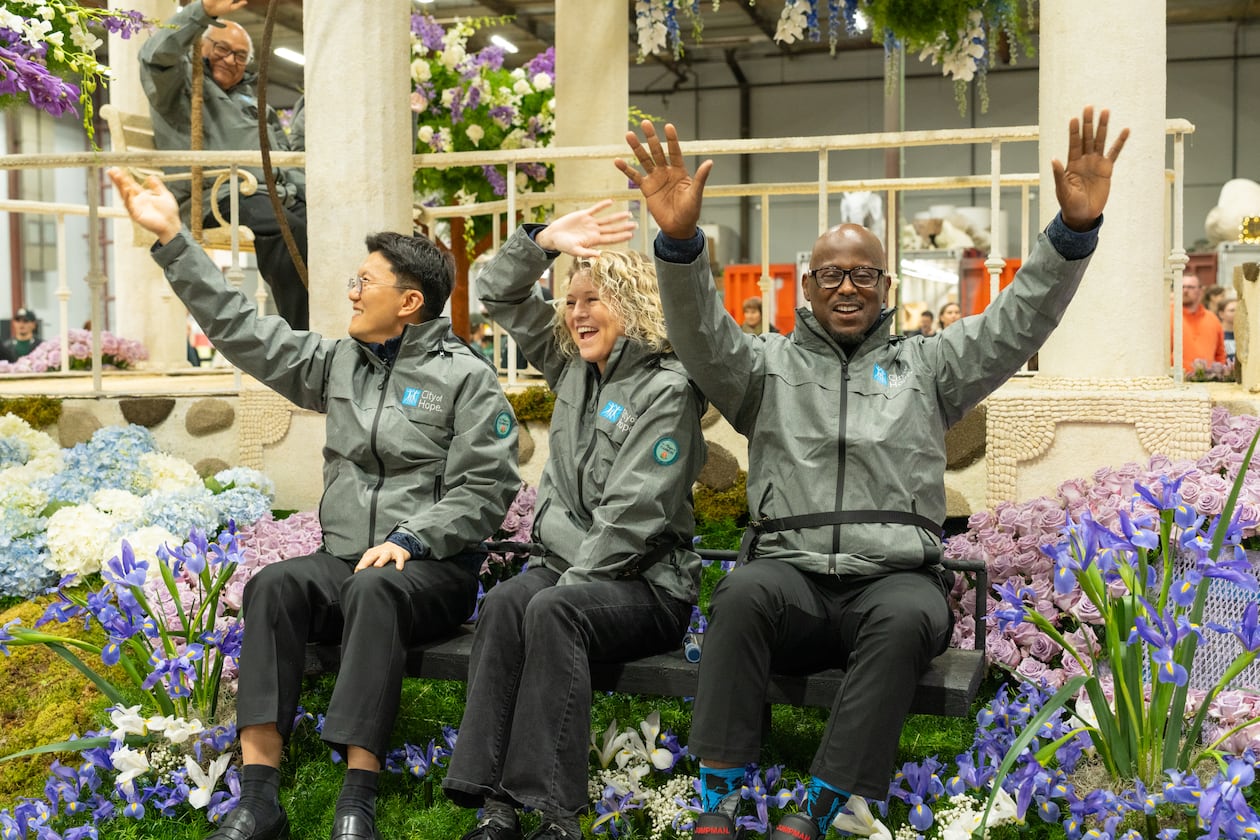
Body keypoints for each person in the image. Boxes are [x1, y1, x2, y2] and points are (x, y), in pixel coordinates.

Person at [615, 107, 1127, 840]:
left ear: (885, 285)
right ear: (807, 283)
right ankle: (721, 793)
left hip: (890, 579)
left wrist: (1070, 235)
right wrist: (679, 244)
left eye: (862, 274)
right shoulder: (764, 368)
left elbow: (1018, 323)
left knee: (910, 614)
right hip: (790, 575)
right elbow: (698, 335)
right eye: (832, 274)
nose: (847, 286)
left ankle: (825, 804)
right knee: (740, 594)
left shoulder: (930, 366)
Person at [108, 167, 520, 840]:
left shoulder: (466, 380)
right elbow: (242, 330)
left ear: (410, 302)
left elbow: (484, 492)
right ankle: (258, 796)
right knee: (274, 585)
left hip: (431, 573)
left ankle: (357, 797)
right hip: (346, 562)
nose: (350, 292)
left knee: (376, 591)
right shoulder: (337, 364)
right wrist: (175, 240)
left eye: (365, 282)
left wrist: (411, 539)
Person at [444, 201, 707, 840]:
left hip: (648, 586)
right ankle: (496, 804)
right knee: (508, 602)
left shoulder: (667, 390)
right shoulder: (571, 368)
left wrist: (564, 587)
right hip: (567, 572)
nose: (576, 312)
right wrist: (542, 242)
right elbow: (495, 293)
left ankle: (556, 812)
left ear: (635, 305)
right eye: (570, 301)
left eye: (594, 299)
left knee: (549, 610)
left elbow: (633, 517)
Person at [139, 0, 310, 330]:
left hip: (269, 194)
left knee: (328, 229)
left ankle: (339, 325)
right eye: (222, 48)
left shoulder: (253, 101)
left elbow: (284, 157)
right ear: (201, 46)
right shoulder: (180, 90)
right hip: (218, 194)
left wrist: (310, 196)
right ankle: (304, 334)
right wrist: (201, 13)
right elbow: (154, 57)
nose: (231, 60)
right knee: (284, 228)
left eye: (240, 56)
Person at [1179, 272, 1226, 373]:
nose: (1185, 290)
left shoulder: (1213, 319)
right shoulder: (1167, 317)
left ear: (1201, 291)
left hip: (1208, 382)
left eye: (1190, 287)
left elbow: (1220, 354)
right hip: (1175, 382)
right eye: (1182, 287)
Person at [1221, 296, 1237, 364]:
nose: (1236, 313)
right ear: (1221, 314)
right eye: (1232, 310)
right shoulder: (1217, 335)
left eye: (1238, 310)